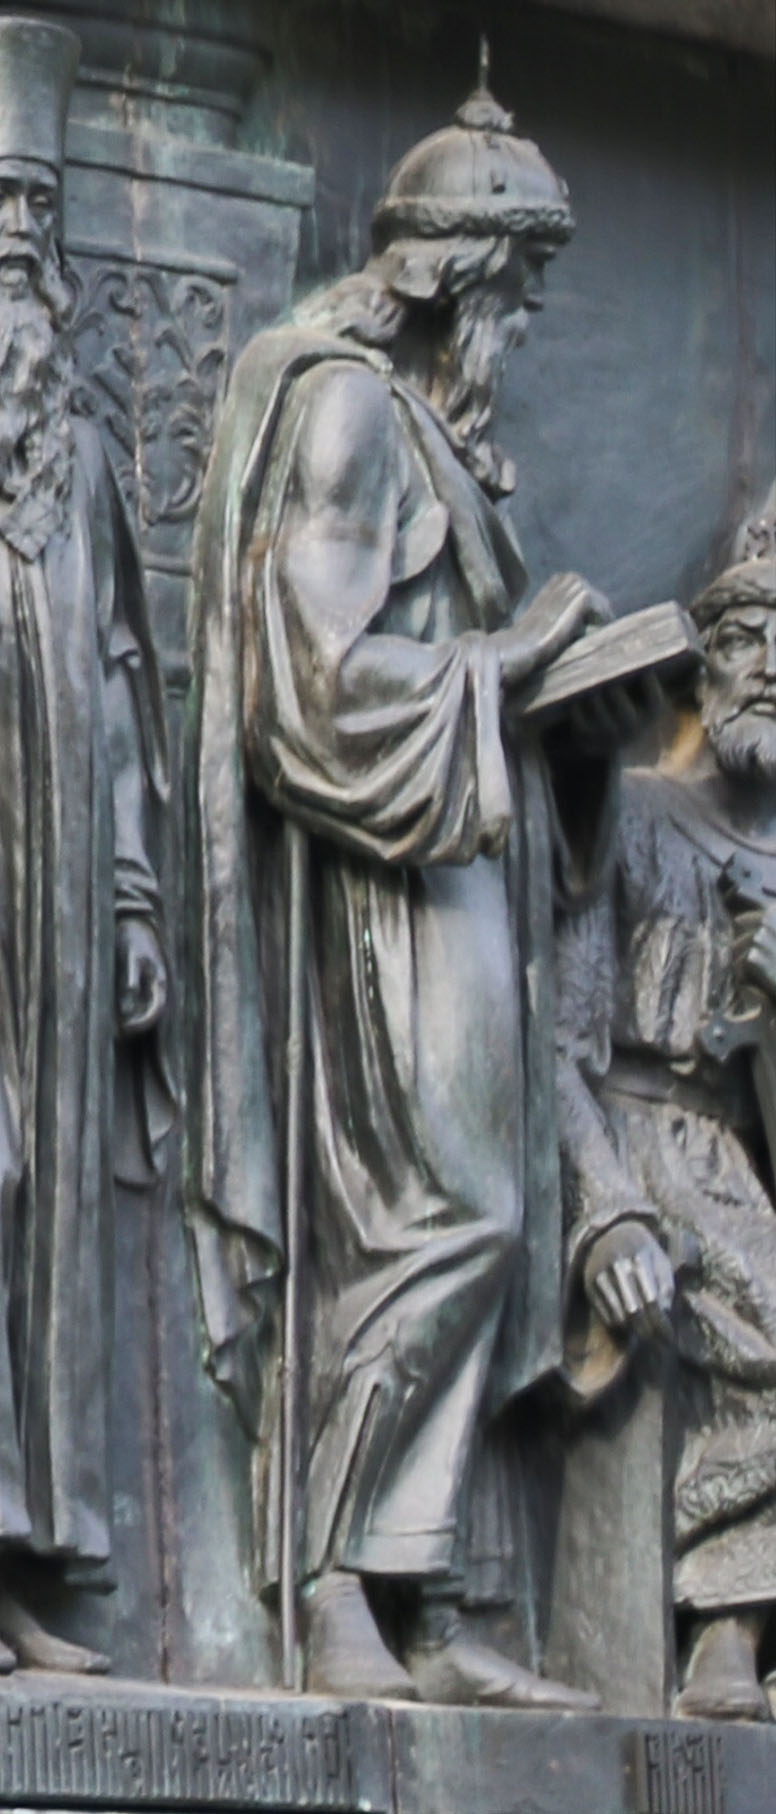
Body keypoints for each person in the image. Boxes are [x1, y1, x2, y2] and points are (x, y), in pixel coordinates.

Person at [189, 68, 625, 1706]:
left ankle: (420, 1594)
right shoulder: (351, 411)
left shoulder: (433, 431)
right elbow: (306, 685)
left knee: (485, 1219)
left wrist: (570, 717)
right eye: (518, 290)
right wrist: (503, 667)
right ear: (456, 273)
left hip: (466, 867)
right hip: (387, 889)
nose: (526, 325)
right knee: (450, 1213)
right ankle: (325, 1581)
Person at [0, 17, 171, 1672]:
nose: (14, 254)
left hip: (53, 908)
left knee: (48, 1207)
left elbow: (122, 680)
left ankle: (21, 1564)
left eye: (34, 226)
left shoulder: (87, 463)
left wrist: (128, 894)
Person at [556, 491, 776, 1719]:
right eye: (750, 639)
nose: (773, 669)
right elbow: (559, 1044)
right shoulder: (634, 816)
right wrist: (603, 1211)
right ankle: (721, 1635)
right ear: (705, 662)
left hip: (737, 1157)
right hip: (636, 1144)